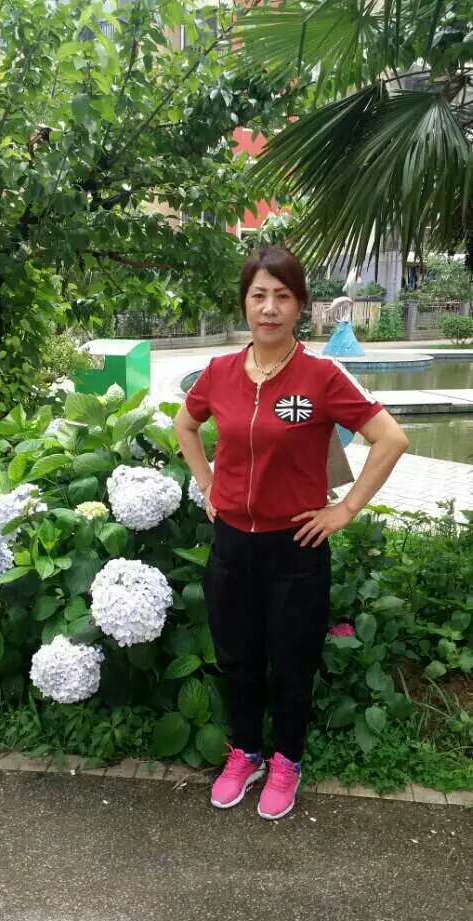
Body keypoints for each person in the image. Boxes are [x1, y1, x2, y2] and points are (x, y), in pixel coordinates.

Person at [173, 246, 409, 820]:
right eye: (259, 295)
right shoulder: (219, 373)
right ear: (244, 304)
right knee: (237, 657)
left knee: (292, 660)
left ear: (301, 305)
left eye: (282, 296)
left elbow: (391, 438)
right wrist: (207, 484)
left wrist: (344, 510)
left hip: (296, 547)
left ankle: (287, 761)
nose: (269, 308)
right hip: (232, 543)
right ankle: (245, 753)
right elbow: (186, 424)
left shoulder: (321, 376)